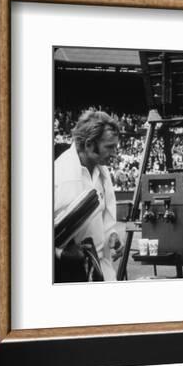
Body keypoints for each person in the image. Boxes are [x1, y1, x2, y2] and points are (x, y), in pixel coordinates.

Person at [54, 110, 124, 281]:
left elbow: (105, 219)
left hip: (101, 269)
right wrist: (60, 253)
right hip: (69, 274)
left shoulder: (103, 172)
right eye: (109, 147)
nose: (115, 153)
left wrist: (112, 236)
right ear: (89, 145)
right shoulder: (59, 173)